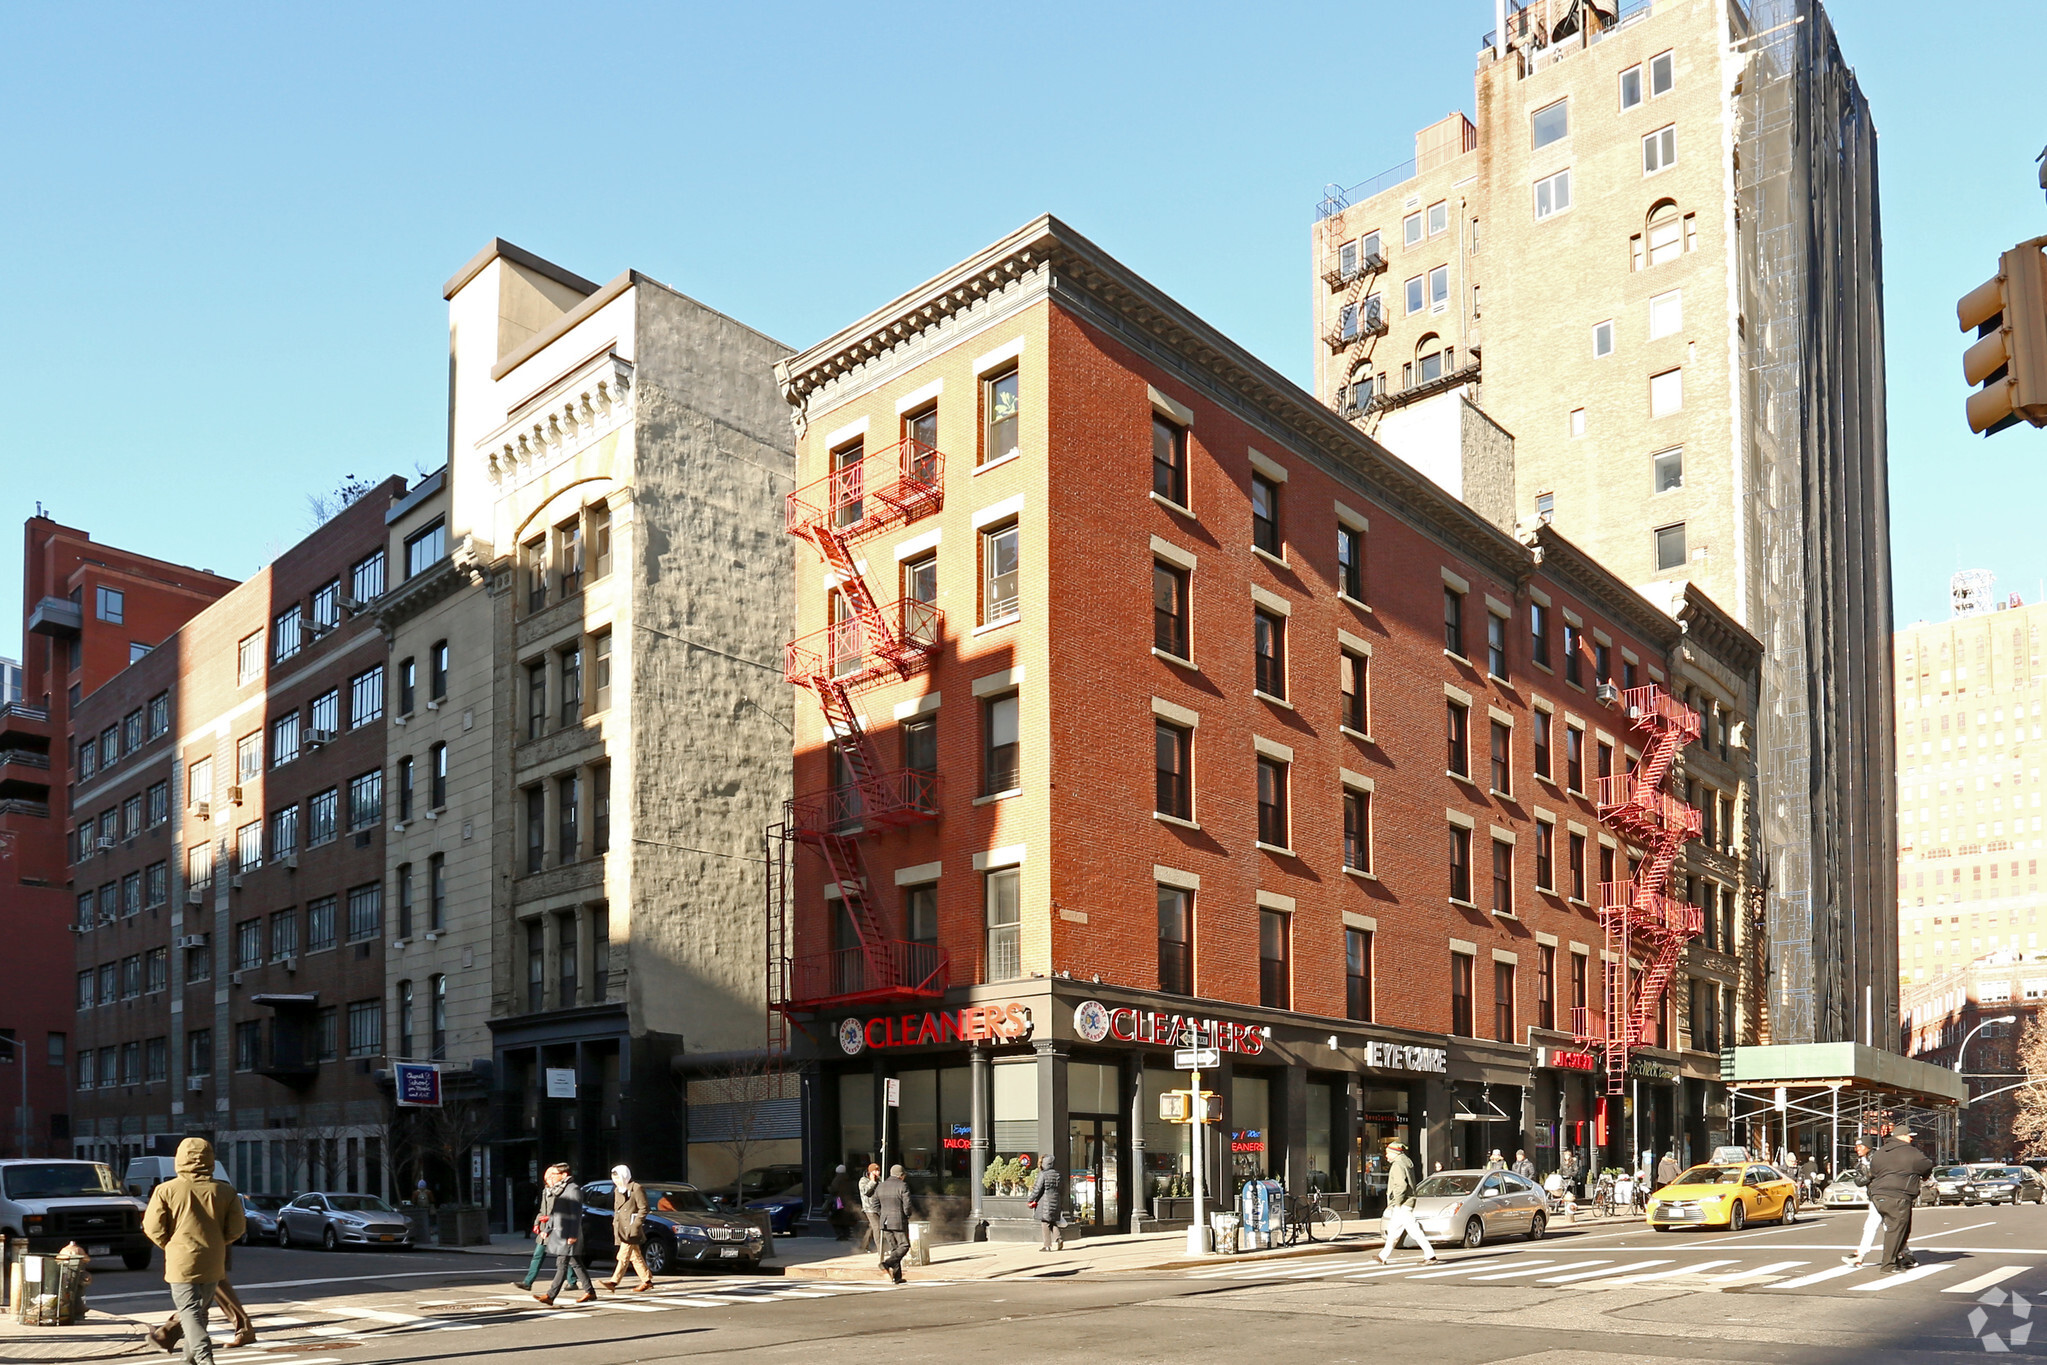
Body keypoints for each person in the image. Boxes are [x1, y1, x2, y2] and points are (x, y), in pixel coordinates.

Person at [141, 1137, 246, 1365]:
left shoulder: (165, 1190)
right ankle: (189, 1361)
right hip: (213, 1260)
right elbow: (237, 1228)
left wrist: (169, 1244)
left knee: (189, 1311)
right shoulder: (225, 1191)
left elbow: (152, 1227)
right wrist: (218, 1241)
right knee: (200, 1312)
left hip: (182, 1260)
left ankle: (204, 1357)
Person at [1866, 1127, 1934, 1273]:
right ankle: (1888, 1265)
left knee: (1899, 1228)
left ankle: (1898, 1258)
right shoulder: (1911, 1152)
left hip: (1878, 1195)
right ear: (1902, 1136)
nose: (1911, 1139)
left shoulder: (1880, 1152)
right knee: (1896, 1230)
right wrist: (1925, 1176)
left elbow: (1873, 1171)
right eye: (1909, 1136)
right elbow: (1927, 1164)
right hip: (1898, 1195)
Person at [534, 1165, 596, 1305]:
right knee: (576, 1263)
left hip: (568, 1234)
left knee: (562, 1264)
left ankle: (550, 1296)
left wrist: (573, 1235)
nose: (552, 1177)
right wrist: (547, 1229)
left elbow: (576, 1214)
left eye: (555, 1174)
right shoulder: (560, 1189)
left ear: (564, 1174)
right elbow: (556, 1213)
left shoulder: (572, 1189)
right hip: (560, 1232)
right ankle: (590, 1291)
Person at [517, 1165, 582, 1294]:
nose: (548, 1178)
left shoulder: (563, 1190)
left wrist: (550, 1219)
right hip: (545, 1228)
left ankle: (573, 1281)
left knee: (566, 1257)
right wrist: (537, 1222)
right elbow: (542, 1210)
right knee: (539, 1254)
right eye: (547, 1177)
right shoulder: (546, 1191)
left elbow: (563, 1211)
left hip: (557, 1227)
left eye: (551, 1175)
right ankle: (528, 1282)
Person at [1375, 1140, 1437, 1264]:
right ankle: (1382, 1256)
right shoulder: (1406, 1162)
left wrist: (1396, 1202)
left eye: (1388, 1153)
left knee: (1412, 1231)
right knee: (1394, 1230)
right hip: (1406, 1202)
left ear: (1394, 1153)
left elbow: (1400, 1186)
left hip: (1402, 1204)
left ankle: (1430, 1255)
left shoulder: (1397, 1165)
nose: (1386, 1156)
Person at [598, 1164, 652, 1293]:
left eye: (618, 1178)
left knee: (623, 1255)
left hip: (632, 1228)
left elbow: (644, 1208)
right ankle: (647, 1280)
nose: (616, 1181)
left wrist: (636, 1225)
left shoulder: (636, 1188)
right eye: (614, 1179)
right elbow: (618, 1210)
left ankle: (613, 1282)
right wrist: (615, 1224)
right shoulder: (618, 1190)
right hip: (621, 1227)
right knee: (635, 1255)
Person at [1841, 1140, 1883, 1269]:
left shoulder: (1879, 1158)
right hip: (1874, 1198)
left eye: (1861, 1146)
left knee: (1891, 1227)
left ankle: (1904, 1254)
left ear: (1869, 1147)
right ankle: (1860, 1254)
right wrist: (1869, 1176)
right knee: (1873, 1225)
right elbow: (1859, 1181)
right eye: (1856, 1146)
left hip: (1885, 1196)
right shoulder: (1859, 1164)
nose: (1857, 1149)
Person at [874, 1164, 914, 1284]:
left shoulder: (881, 1186)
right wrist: (907, 1215)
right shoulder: (902, 1185)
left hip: (884, 1221)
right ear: (901, 1176)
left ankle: (897, 1277)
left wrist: (883, 1214)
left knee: (894, 1248)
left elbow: (875, 1205)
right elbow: (907, 1204)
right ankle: (886, 1264)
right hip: (898, 1220)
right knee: (904, 1245)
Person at [1027, 1154, 1065, 1252]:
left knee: (1045, 1222)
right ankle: (1059, 1238)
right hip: (1056, 1199)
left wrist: (1030, 1199)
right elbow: (1062, 1189)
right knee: (1052, 1221)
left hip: (1045, 1201)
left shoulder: (1043, 1174)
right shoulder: (1058, 1174)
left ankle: (1047, 1245)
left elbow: (1037, 1189)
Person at [827, 1163, 860, 1241]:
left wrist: (828, 1188)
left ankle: (841, 1234)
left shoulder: (837, 1179)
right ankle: (846, 1234)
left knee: (835, 1219)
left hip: (839, 1203)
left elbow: (833, 1190)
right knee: (845, 1220)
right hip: (848, 1202)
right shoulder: (849, 1179)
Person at [856, 1161, 883, 1255]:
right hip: (869, 1208)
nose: (878, 1173)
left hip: (878, 1207)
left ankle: (863, 1246)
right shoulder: (863, 1181)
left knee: (872, 1227)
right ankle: (880, 1249)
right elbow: (866, 1191)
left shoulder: (879, 1180)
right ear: (870, 1172)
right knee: (877, 1227)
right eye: (875, 1171)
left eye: (878, 1170)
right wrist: (872, 1181)